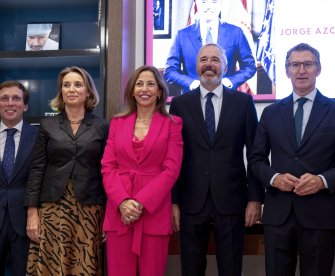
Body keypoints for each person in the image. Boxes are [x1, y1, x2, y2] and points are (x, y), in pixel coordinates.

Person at [248, 43, 335, 276]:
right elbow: (255, 160)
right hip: (278, 214)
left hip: (319, 213)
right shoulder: (271, 113)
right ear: (286, 70)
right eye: (295, 64)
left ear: (318, 69)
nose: (301, 70)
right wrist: (274, 178)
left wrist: (322, 180)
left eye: (308, 64)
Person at [169, 43, 263, 276]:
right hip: (191, 201)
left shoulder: (243, 103)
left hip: (232, 200)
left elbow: (255, 154)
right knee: (191, 268)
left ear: (225, 66)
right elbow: (173, 156)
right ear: (195, 65)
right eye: (203, 60)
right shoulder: (180, 104)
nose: (208, 65)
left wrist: (254, 199)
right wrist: (173, 201)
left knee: (230, 268)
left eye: (215, 59)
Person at [24, 66, 108, 275]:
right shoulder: (47, 125)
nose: (72, 89)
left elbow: (107, 171)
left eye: (78, 84)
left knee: (84, 265)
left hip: (89, 207)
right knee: (52, 264)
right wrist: (32, 213)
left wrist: (109, 216)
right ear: (61, 91)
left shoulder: (102, 126)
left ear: (88, 91)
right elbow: (37, 169)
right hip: (53, 207)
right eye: (66, 85)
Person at [101, 65, 183, 276]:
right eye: (139, 84)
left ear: (159, 91)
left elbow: (171, 169)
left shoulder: (172, 124)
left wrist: (140, 203)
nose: (144, 89)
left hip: (153, 212)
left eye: (150, 84)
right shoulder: (117, 123)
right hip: (120, 212)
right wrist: (122, 202)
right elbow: (108, 166)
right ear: (132, 90)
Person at [164, 0, 256, 94]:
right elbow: (170, 71)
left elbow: (250, 66)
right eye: (204, 2)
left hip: (227, 98)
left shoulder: (235, 33)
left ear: (221, 4)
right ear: (197, 4)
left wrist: (229, 82)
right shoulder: (182, 35)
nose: (208, 6)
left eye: (214, 2)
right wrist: (191, 84)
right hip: (192, 99)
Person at [0, 81, 37, 276]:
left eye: (16, 98)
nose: (10, 103)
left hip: (24, 222)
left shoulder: (39, 136)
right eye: (4, 98)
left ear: (25, 105)